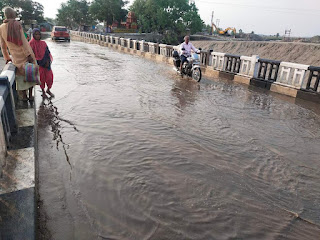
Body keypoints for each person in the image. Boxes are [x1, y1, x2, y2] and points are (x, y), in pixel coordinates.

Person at [0, 6, 36, 101]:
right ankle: (30, 96)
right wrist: (29, 55)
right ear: (13, 14)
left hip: (15, 57)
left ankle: (24, 96)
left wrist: (7, 58)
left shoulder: (1, 27)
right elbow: (23, 42)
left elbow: (3, 46)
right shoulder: (17, 24)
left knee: (20, 77)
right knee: (31, 74)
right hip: (25, 54)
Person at [29, 28, 54, 98]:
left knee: (50, 78)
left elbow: (47, 53)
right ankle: (43, 92)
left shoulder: (43, 43)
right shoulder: (31, 44)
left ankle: (48, 90)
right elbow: (30, 55)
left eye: (39, 34)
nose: (37, 36)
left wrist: (47, 62)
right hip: (38, 64)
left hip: (46, 63)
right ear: (33, 35)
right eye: (36, 34)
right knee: (41, 79)